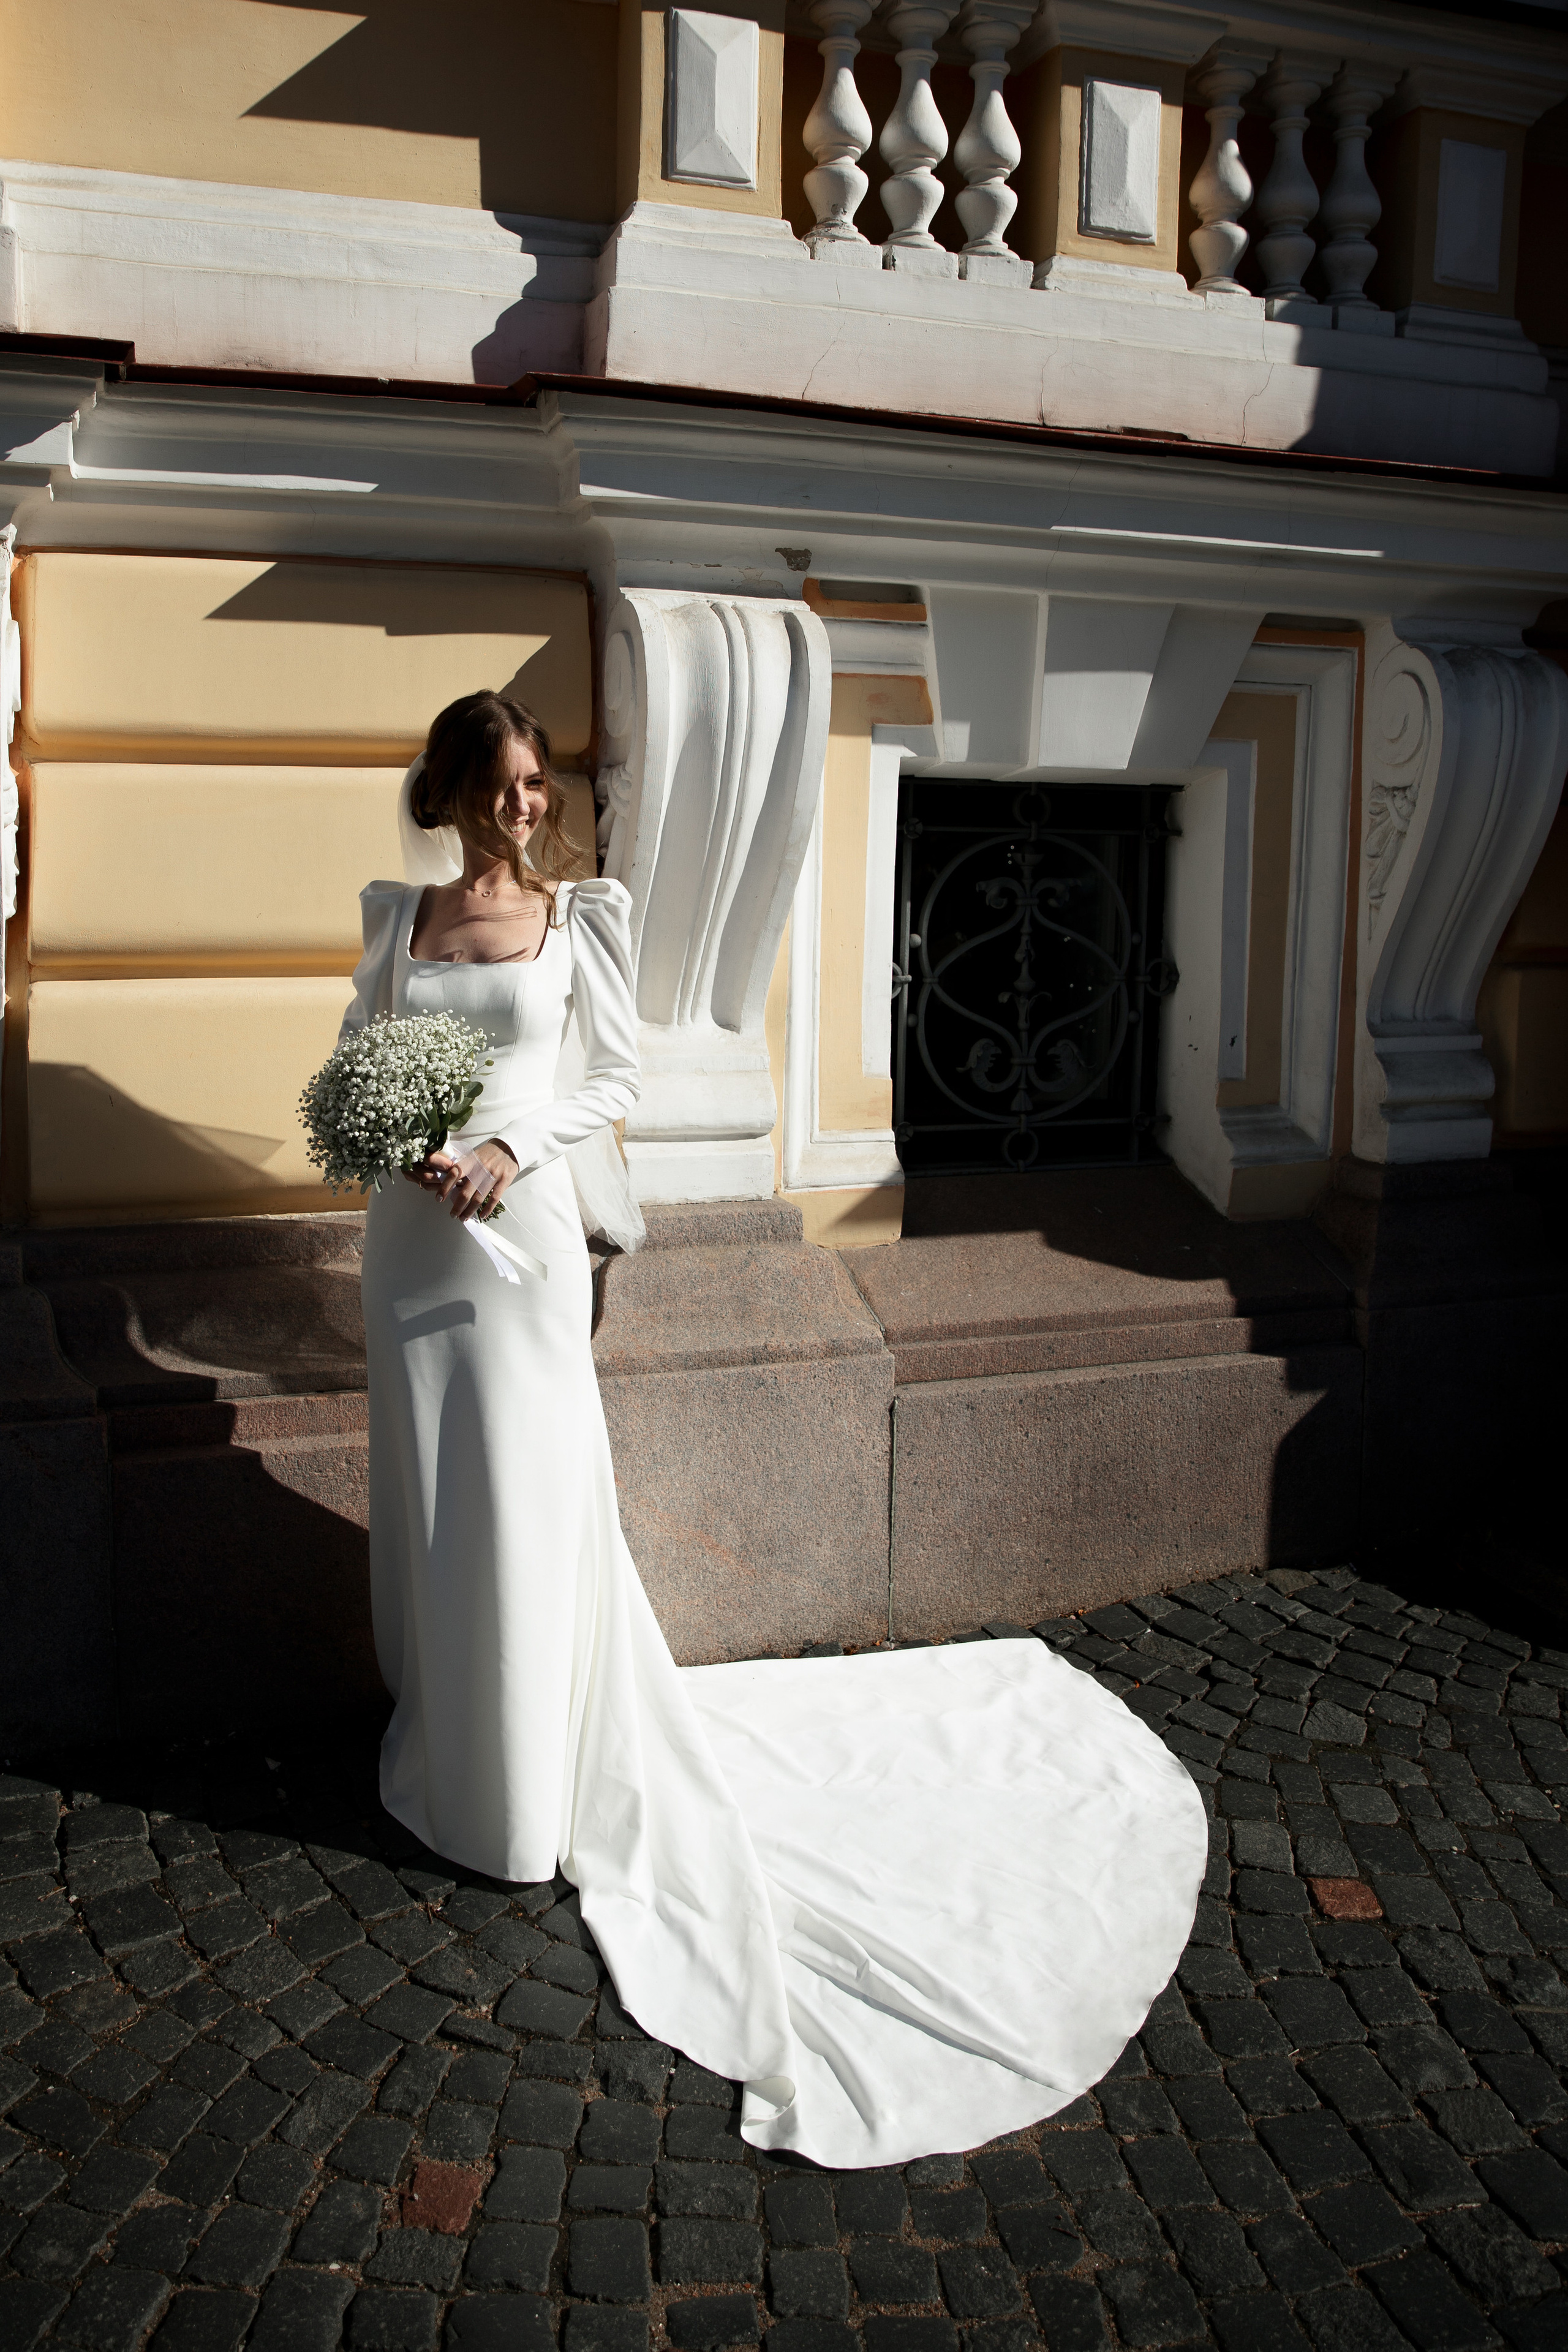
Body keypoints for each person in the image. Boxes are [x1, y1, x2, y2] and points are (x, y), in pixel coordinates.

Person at [340, 688, 1208, 2170]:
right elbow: (360, 1068)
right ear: (449, 791)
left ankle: (528, 1791)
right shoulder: (399, 920)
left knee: (526, 1494)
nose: (527, 808)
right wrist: (410, 1143)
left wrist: (505, 1145)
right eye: (501, 785)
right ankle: (454, 1734)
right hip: (413, 1247)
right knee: (433, 1490)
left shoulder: (578, 924)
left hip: (526, 1243)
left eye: (539, 783)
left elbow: (608, 1080)